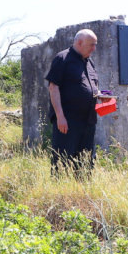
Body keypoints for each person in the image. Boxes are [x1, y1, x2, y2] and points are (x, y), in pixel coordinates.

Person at [46, 29, 102, 170]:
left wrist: (102, 97)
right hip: (67, 122)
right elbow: (53, 88)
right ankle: (60, 190)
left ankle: (82, 190)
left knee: (86, 162)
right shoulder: (63, 59)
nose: (94, 49)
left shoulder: (90, 63)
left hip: (88, 121)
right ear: (80, 42)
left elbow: (91, 88)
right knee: (62, 161)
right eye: (92, 45)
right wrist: (60, 117)